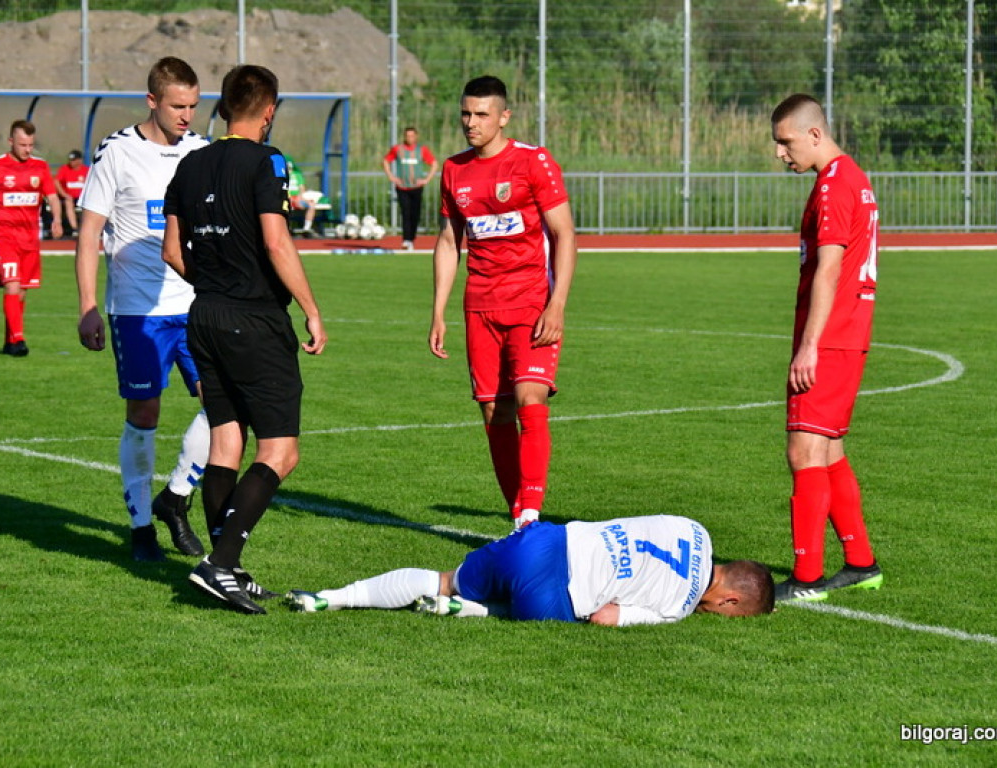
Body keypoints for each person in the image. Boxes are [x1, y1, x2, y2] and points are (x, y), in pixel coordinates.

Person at [162, 64, 328, 616]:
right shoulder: (265, 161)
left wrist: (213, 286)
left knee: (226, 441)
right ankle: (219, 563)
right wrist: (310, 309)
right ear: (269, 109)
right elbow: (277, 243)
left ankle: (225, 568)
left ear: (221, 106)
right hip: (253, 321)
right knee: (280, 452)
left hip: (203, 317)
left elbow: (172, 251)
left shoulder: (189, 163)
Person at [75, 57, 211, 562]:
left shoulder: (200, 151)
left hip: (195, 305)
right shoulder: (117, 152)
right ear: (152, 101)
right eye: (178, 106)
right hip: (137, 311)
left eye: (195, 106)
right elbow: (89, 233)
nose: (187, 116)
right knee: (145, 413)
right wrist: (89, 305)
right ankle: (140, 528)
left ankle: (174, 497)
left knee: (223, 404)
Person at [430, 75, 577, 530]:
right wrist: (437, 310)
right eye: (465, 114)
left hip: (532, 302)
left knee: (530, 398)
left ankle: (530, 512)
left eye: (481, 115)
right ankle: (518, 515)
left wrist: (557, 305)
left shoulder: (533, 162)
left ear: (503, 117)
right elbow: (449, 242)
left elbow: (564, 235)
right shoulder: (454, 170)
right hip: (480, 308)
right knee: (495, 412)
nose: (470, 123)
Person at [770, 93, 883, 602]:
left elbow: (829, 268)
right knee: (829, 448)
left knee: (803, 449)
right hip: (846, 334)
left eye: (785, 142)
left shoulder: (836, 184)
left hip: (832, 336)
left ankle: (807, 577)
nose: (780, 153)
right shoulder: (849, 178)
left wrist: (809, 345)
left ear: (814, 134)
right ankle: (860, 563)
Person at [286, 515, 775, 624]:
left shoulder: (695, 528)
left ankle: (330, 597)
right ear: (731, 600)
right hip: (553, 595)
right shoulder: (680, 608)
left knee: (445, 576)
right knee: (531, 609)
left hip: (547, 540)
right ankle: (471, 612)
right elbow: (606, 617)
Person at [0, 120, 63, 356]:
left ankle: (9, 341)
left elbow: (52, 197)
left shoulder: (40, 167)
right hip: (3, 235)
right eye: (23, 144)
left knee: (22, 290)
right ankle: (18, 339)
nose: (27, 149)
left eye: (31, 145)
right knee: (12, 284)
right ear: (11, 142)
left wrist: (56, 219)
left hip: (30, 237)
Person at [382, 126, 438, 250]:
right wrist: (391, 176)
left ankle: (412, 237)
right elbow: (386, 160)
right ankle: (406, 240)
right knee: (405, 212)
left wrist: (426, 179)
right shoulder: (398, 149)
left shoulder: (421, 150)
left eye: (412, 136)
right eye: (407, 136)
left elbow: (434, 163)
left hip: (416, 187)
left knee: (415, 213)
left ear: (416, 136)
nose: (410, 138)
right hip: (402, 187)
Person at [54, 149, 89, 237]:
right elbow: (56, 182)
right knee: (68, 202)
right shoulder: (64, 169)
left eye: (74, 160)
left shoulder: (86, 170)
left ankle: (88, 228)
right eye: (70, 160)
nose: (72, 162)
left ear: (79, 160)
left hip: (84, 198)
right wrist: (64, 194)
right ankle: (74, 228)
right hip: (70, 197)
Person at [286, 156, 318, 236]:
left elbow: (302, 189)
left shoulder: (297, 175)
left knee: (311, 205)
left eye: (290, 168)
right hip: (287, 198)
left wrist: (300, 197)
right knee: (286, 206)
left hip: (297, 198)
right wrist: (290, 198)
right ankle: (287, 228)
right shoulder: (283, 175)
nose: (289, 170)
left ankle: (306, 229)